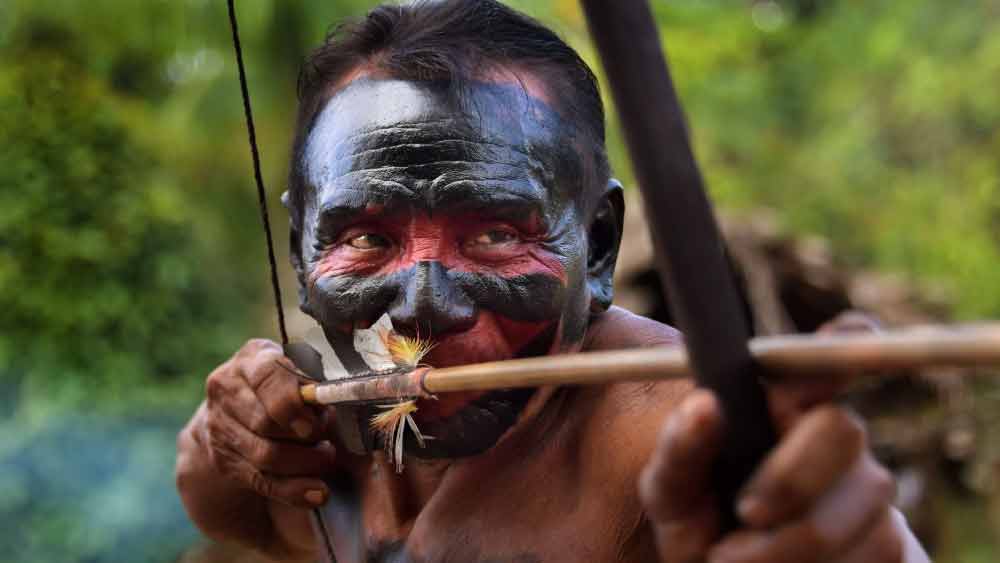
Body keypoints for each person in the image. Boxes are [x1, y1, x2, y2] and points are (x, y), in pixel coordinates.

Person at [175, 1, 929, 561]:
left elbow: (802, 513)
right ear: (303, 251)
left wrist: (835, 529)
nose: (423, 304)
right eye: (368, 238)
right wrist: (225, 435)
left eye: (497, 234)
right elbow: (217, 492)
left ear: (596, 247)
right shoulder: (313, 434)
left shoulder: (662, 429)